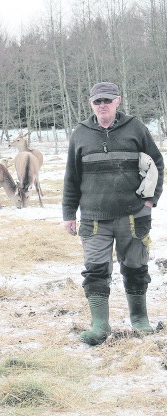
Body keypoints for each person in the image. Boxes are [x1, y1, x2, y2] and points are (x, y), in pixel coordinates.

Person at [62, 81, 164, 346]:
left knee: (136, 267)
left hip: (134, 216)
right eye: (98, 101)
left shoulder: (136, 128)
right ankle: (99, 325)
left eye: (108, 100)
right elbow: (71, 177)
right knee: (95, 269)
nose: (103, 105)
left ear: (118, 101)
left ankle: (140, 320)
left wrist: (150, 200)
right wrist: (69, 213)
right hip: (94, 218)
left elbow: (157, 164)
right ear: (91, 104)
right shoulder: (81, 134)